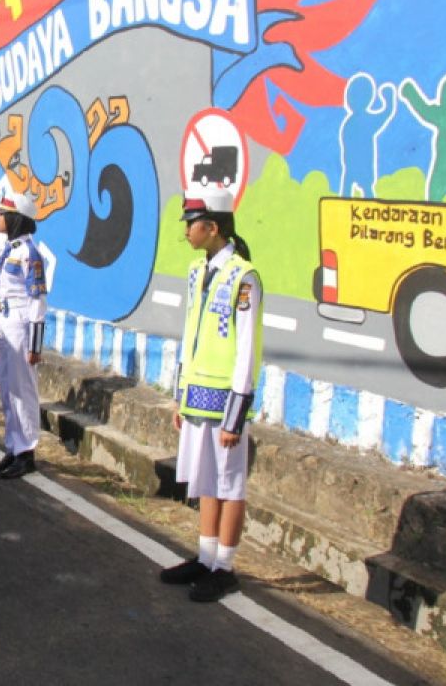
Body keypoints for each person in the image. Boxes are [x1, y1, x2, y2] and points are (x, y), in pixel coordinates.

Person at [159, 188, 263, 603]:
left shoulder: (244, 277)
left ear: (213, 227)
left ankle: (225, 566)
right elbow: (190, 333)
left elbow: (247, 348)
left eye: (192, 223)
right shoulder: (195, 271)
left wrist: (236, 416)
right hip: (197, 395)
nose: (187, 230)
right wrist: (179, 395)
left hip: (226, 399)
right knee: (205, 479)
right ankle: (204, 557)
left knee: (230, 483)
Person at [0, 193, 47, 478]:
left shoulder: (29, 254)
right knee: (7, 388)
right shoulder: (7, 248)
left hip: (20, 324)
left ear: (15, 218)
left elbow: (38, 301)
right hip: (2, 321)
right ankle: (13, 446)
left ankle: (27, 452)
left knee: (23, 391)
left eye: (2, 212)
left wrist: (35, 344)